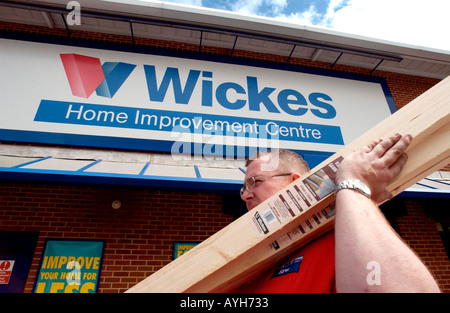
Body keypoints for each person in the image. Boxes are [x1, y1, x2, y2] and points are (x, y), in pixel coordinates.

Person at [236, 133, 440, 293]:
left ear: (295, 182)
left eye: (255, 182)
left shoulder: (346, 240)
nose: (246, 195)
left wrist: (353, 184)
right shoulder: (248, 268)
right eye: (244, 188)